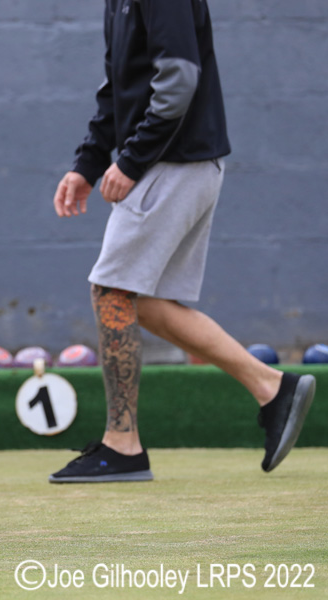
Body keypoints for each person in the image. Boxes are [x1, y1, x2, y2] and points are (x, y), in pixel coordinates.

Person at [50, 0, 315, 482]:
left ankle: (123, 446)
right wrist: (87, 163)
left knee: (111, 292)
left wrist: (130, 161)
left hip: (172, 162)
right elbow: (117, 87)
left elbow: (178, 80)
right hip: (178, 163)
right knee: (141, 303)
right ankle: (272, 387)